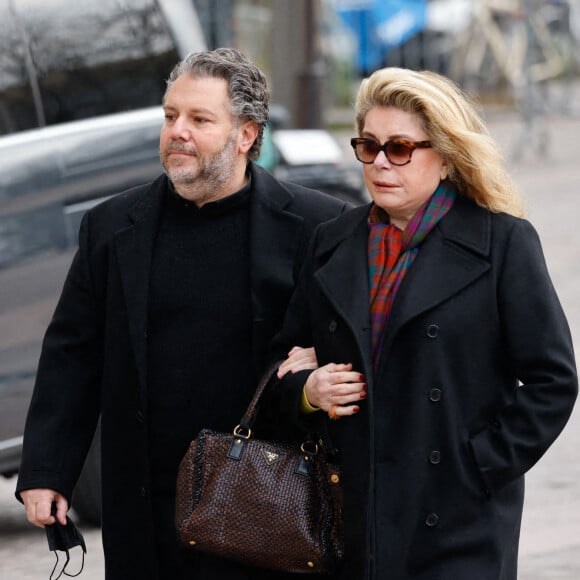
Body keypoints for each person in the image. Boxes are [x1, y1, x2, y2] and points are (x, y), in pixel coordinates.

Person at [15, 48, 348, 580]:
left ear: (246, 135)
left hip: (263, 502)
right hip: (146, 508)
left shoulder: (318, 226)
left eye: (199, 119)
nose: (178, 131)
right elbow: (72, 355)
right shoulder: (111, 227)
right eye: (171, 116)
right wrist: (47, 471)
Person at [272, 67, 578, 580]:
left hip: (459, 523)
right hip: (353, 520)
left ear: (444, 157)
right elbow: (283, 357)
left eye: (399, 148)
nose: (380, 164)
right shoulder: (331, 242)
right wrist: (308, 390)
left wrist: (479, 464)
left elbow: (553, 381)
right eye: (367, 146)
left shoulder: (501, 244)